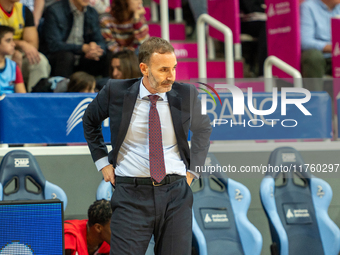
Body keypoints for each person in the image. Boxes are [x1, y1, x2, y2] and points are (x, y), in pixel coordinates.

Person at [82, 37, 212, 254]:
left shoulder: (187, 94)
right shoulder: (115, 91)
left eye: (174, 68)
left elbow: (203, 130)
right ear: (144, 68)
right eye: (163, 70)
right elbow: (90, 121)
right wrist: (102, 162)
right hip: (131, 195)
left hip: (176, 194)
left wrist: (193, 171)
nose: (171, 76)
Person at [42, 0, 108, 78]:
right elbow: (53, 45)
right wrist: (82, 48)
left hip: (83, 57)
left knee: (107, 56)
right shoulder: (54, 10)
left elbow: (100, 41)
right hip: (60, 57)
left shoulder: (92, 12)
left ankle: (105, 88)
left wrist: (96, 49)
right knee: (67, 56)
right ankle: (61, 87)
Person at [0, 0, 50, 92]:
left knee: (39, 61)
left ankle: (36, 100)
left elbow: (32, 44)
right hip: (3, 53)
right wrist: (21, 44)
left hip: (18, 52)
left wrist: (17, 50)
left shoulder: (23, 10)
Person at [300, 0, 340, 85]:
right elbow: (305, 41)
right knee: (313, 56)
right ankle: (316, 97)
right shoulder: (308, 7)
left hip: (337, 55)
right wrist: (333, 47)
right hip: (320, 55)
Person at [0, 25, 26, 94]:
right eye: (8, 41)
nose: (13, 44)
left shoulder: (13, 67)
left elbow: (21, 96)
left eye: (13, 40)